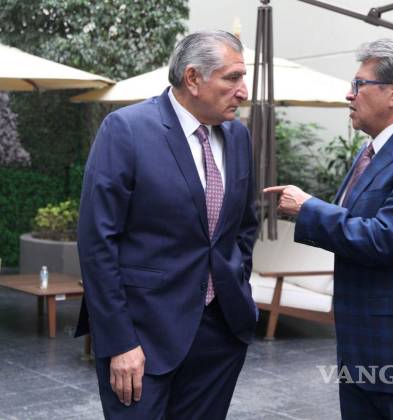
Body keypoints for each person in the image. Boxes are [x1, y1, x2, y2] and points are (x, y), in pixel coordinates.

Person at [265, 38, 393, 419]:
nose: (349, 94)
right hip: (362, 354)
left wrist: (308, 208)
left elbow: (384, 238)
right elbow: (356, 227)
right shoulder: (371, 150)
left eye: (359, 84)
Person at [75, 30, 258, 419]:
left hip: (221, 336)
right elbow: (97, 242)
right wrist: (119, 341)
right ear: (193, 78)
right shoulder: (126, 129)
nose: (243, 91)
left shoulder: (238, 136)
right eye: (232, 78)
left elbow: (244, 225)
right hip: (143, 338)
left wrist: (236, 283)